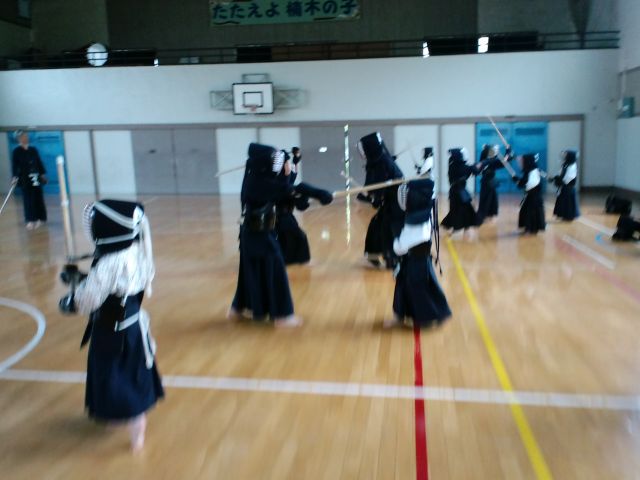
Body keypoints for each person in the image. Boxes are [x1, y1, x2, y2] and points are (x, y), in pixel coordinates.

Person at [58, 199, 163, 452]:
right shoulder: (135, 251)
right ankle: (122, 415)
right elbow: (119, 284)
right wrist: (82, 278)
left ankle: (134, 420)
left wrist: (71, 300)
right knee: (133, 372)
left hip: (112, 333)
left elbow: (91, 297)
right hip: (134, 329)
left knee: (114, 374)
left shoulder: (110, 262)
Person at [229, 143, 332, 327]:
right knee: (276, 270)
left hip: (253, 234)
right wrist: (318, 193)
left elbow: (286, 191)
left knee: (250, 271)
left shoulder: (255, 177)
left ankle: (239, 308)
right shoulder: (259, 182)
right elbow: (289, 189)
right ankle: (283, 316)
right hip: (259, 234)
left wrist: (305, 196)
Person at [387, 150, 451, 328]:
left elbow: (399, 247)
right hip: (419, 261)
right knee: (415, 288)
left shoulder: (414, 225)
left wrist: (395, 239)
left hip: (416, 264)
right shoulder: (423, 216)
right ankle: (409, 315)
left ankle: (427, 317)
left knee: (417, 290)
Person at [275, 147, 331, 265]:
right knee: (297, 236)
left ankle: (290, 259)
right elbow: (291, 189)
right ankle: (295, 259)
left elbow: (293, 174)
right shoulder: (277, 183)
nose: (288, 166)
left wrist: (296, 160)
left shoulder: (286, 178)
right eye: (286, 163)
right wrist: (315, 193)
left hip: (287, 215)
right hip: (280, 217)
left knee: (292, 237)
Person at [357, 132, 404, 269]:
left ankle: (392, 258)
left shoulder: (382, 162)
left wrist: (371, 197)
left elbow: (377, 187)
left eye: (363, 150)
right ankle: (373, 254)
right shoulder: (378, 161)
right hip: (389, 200)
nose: (362, 153)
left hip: (396, 201)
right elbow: (374, 186)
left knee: (388, 228)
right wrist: (369, 195)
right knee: (376, 225)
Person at [440, 148, 481, 238]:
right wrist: (477, 166)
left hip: (455, 192)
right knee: (459, 211)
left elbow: (471, 170)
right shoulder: (462, 167)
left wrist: (475, 167)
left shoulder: (452, 165)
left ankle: (464, 229)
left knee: (462, 210)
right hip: (459, 193)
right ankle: (457, 229)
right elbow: (475, 171)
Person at [11, 131, 47, 229]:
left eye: (26, 136)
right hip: (25, 178)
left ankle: (41, 218)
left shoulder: (33, 149)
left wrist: (42, 174)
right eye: (23, 136)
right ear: (19, 139)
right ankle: (30, 220)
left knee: (38, 198)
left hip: (35, 177)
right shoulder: (16, 151)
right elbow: (15, 166)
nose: (26, 138)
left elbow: (38, 162)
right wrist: (14, 177)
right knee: (28, 199)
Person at [476, 144, 515, 224]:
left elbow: (507, 159)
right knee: (486, 201)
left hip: (491, 183)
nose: (495, 152)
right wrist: (508, 151)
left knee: (493, 200)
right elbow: (505, 160)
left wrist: (509, 150)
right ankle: (482, 217)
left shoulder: (490, 160)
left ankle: (490, 215)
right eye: (493, 151)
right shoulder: (487, 161)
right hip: (487, 183)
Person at [512, 154, 546, 234]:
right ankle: (528, 227)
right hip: (531, 195)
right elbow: (524, 182)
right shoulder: (530, 170)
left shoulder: (532, 171)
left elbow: (527, 184)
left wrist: (517, 181)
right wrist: (517, 180)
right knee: (525, 211)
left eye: (523, 161)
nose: (521, 163)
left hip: (534, 197)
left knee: (532, 212)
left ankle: (533, 229)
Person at [550, 150, 580, 221]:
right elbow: (561, 174)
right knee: (562, 201)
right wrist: (555, 178)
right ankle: (562, 214)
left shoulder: (572, 166)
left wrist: (559, 180)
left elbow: (569, 177)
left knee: (568, 202)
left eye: (566, 155)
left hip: (568, 187)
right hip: (564, 187)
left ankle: (569, 216)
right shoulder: (565, 165)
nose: (564, 156)